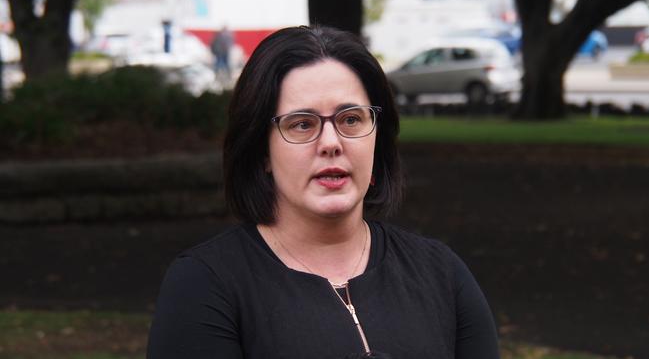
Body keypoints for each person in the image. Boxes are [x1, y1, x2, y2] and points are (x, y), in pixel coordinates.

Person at [147, 25, 500, 359]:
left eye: (350, 119)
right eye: (302, 124)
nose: (331, 143)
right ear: (262, 151)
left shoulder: (441, 273)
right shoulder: (206, 285)